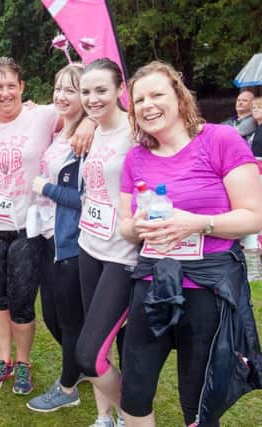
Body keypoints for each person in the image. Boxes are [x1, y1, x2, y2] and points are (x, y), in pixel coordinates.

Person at [119, 61, 262, 427]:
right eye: (139, 99)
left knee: (197, 399)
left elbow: (255, 215)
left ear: (179, 97)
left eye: (156, 94)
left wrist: (197, 223)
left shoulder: (220, 140)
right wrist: (136, 226)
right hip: (152, 285)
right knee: (134, 391)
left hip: (206, 288)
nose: (147, 105)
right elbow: (125, 228)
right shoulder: (135, 157)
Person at [0, 57, 94, 395]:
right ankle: (3, 360)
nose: (5, 92)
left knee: (23, 299)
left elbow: (87, 107)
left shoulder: (41, 115)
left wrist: (90, 125)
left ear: (22, 87)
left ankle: (24, 363)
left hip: (28, 226)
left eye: (11, 85)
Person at [74, 58, 138, 427]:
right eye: (87, 92)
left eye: (101, 90)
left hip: (122, 257)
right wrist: (86, 117)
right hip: (89, 248)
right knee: (101, 342)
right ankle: (104, 416)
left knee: (90, 354)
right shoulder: (92, 129)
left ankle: (136, 419)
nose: (93, 99)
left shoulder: (135, 132)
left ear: (119, 90)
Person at [26, 63, 87, 412]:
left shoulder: (87, 138)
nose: (62, 96)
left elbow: (89, 197)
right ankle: (84, 367)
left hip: (72, 239)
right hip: (47, 234)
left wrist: (47, 188)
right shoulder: (60, 129)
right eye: (58, 87)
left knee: (68, 316)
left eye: (72, 90)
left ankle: (68, 388)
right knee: (51, 313)